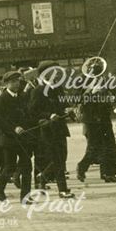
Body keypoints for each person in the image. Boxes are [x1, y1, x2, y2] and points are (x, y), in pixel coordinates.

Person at [28, 60, 76, 199]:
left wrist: (68, 108)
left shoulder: (57, 88)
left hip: (60, 128)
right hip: (48, 130)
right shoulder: (37, 91)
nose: (56, 75)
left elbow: (63, 104)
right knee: (57, 159)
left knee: (62, 157)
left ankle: (43, 176)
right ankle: (63, 189)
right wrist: (49, 115)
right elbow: (32, 111)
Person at [0, 71, 37, 203]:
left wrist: (27, 126)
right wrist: (14, 128)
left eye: (17, 81)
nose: (16, 84)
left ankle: (25, 196)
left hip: (23, 138)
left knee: (27, 166)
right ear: (6, 84)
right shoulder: (2, 99)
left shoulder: (23, 96)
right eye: (13, 82)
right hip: (9, 139)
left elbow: (28, 114)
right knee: (9, 167)